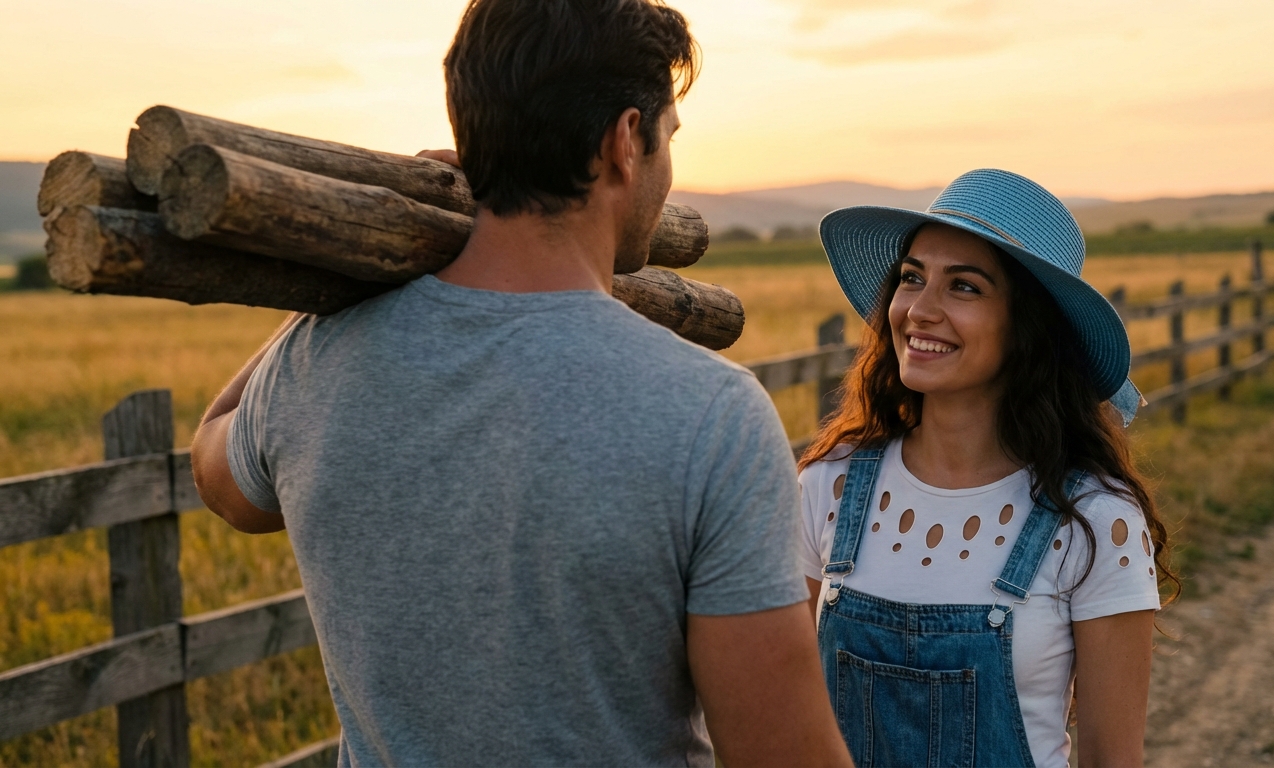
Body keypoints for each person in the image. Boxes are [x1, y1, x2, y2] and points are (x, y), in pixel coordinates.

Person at [189, 1, 851, 765]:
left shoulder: (313, 363)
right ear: (623, 142)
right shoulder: (713, 415)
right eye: (667, 139)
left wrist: (341, 291)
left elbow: (218, 472)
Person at [796, 169, 1178, 768]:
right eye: (912, 278)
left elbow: (1111, 758)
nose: (920, 310)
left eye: (965, 287)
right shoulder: (830, 485)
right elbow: (792, 717)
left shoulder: (1094, 520)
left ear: (1027, 327)